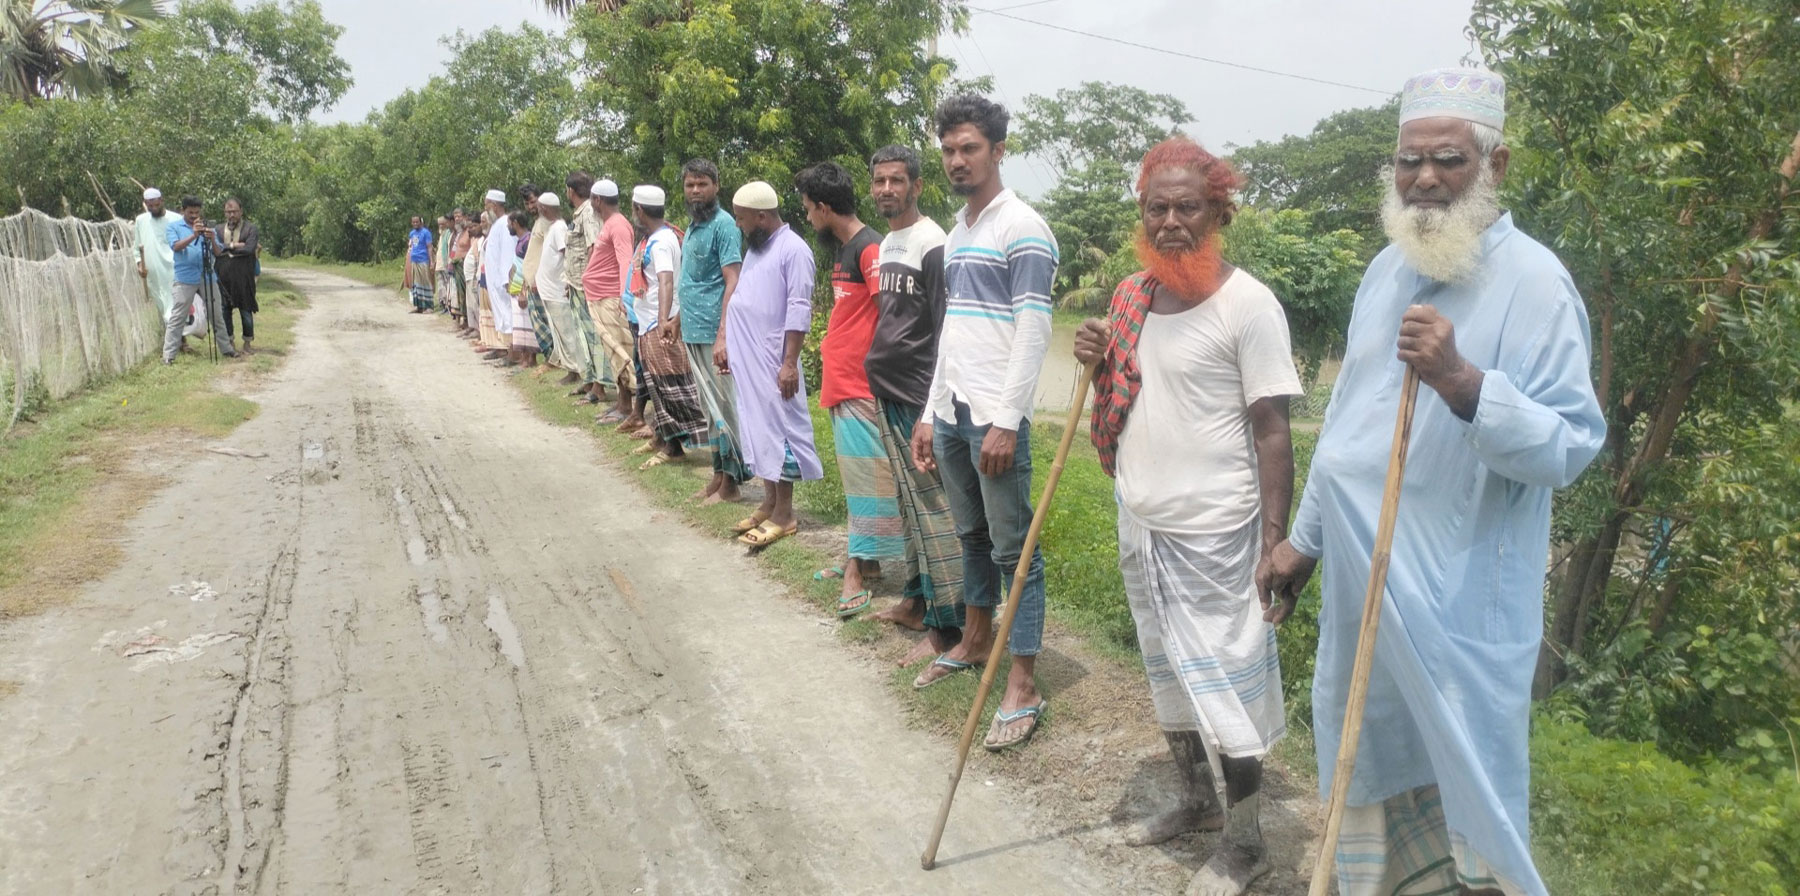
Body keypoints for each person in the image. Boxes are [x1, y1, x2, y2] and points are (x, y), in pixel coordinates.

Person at [1260, 69, 1605, 896]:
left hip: (1456, 614)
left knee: (1467, 808)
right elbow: (1346, 428)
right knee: (1366, 775)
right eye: (1409, 161)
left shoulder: (1536, 284)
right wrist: (1301, 545)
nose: (1422, 179)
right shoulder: (1385, 271)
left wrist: (1462, 381)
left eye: (1446, 160)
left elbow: (1570, 445)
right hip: (1364, 598)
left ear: (1497, 164)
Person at [1073, 137, 1302, 896]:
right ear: (1142, 213)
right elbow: (1124, 385)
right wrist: (1094, 355)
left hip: (1220, 534)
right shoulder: (1132, 297)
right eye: (1157, 208)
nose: (1172, 222)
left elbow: (1273, 430)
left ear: (1218, 212)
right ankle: (1195, 799)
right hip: (1139, 518)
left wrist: (1277, 542)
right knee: (1167, 672)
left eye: (1188, 208)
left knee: (1227, 689)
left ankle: (1246, 843)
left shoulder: (1250, 305)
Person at [908, 95, 1059, 751]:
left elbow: (1033, 332)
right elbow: (955, 334)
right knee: (969, 534)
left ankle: (1022, 680)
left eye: (969, 148)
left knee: (1013, 549)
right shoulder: (960, 230)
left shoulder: (1023, 227)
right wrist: (928, 412)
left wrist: (1007, 420)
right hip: (952, 412)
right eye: (948, 150)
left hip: (995, 420)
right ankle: (973, 640)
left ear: (998, 150)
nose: (957, 160)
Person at [859, 145, 967, 668]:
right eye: (879, 181)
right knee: (908, 506)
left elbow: (947, 332)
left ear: (917, 186)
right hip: (887, 389)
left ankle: (947, 629)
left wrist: (930, 410)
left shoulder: (933, 244)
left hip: (918, 396)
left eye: (896, 181)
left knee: (933, 511)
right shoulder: (887, 244)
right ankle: (916, 601)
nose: (886, 190)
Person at [795, 160, 887, 617]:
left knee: (866, 479)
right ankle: (864, 563)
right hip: (842, 379)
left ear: (826, 208)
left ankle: (856, 570)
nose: (808, 217)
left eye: (810, 209)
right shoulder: (845, 248)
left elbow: (891, 316)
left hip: (861, 384)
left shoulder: (870, 251)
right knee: (857, 477)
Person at [719, 181, 822, 548]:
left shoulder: (793, 250)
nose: (740, 226)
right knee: (759, 430)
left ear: (762, 216)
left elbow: (798, 308)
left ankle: (785, 514)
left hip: (775, 360)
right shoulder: (757, 249)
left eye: (743, 219)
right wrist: (728, 342)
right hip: (750, 361)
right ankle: (769, 501)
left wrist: (789, 363)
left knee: (782, 432)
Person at [675, 158, 750, 505]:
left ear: (716, 186)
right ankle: (717, 475)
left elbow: (732, 281)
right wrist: (676, 319)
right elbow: (690, 280)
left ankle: (732, 483)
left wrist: (724, 334)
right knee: (708, 409)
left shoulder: (724, 226)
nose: (695, 190)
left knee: (724, 407)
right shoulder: (692, 227)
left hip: (715, 334)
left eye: (702, 184)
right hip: (692, 330)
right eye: (690, 185)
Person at [627, 185, 707, 468]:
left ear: (639, 210)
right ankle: (662, 437)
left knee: (668, 385)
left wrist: (662, 321)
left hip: (657, 322)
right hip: (648, 319)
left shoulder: (660, 242)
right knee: (656, 383)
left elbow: (666, 280)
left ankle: (674, 445)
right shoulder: (659, 237)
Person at [584, 178, 640, 427]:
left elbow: (625, 262)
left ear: (597, 200)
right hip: (600, 296)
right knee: (613, 352)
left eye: (592, 200)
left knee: (620, 352)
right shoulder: (611, 224)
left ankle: (627, 406)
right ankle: (621, 403)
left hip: (611, 299)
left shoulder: (617, 225)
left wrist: (623, 297)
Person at [163, 195, 236, 363]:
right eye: (190, 212)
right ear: (183, 211)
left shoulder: (207, 228)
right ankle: (168, 355)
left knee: (216, 314)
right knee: (178, 317)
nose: (194, 216)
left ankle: (226, 349)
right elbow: (176, 247)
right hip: (184, 278)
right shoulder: (174, 227)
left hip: (208, 276)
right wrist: (194, 235)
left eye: (197, 212)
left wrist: (211, 239)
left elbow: (218, 253)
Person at [534, 191, 587, 383]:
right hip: (549, 291)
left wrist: (567, 280)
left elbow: (568, 255)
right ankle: (570, 368)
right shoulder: (551, 228)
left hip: (558, 291)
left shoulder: (558, 228)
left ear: (544, 208)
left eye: (539, 207)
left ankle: (575, 372)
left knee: (567, 333)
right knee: (559, 334)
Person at [562, 172, 605, 401]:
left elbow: (593, 248)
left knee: (592, 336)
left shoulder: (588, 212)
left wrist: (590, 281)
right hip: (576, 283)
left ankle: (599, 386)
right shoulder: (580, 213)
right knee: (582, 336)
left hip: (586, 285)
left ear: (571, 190)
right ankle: (588, 380)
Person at [213, 198, 260, 355]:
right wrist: (233, 245)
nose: (231, 215)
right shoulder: (218, 229)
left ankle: (247, 343)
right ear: (224, 213)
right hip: (223, 277)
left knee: (246, 311)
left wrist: (225, 249)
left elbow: (249, 249)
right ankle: (230, 341)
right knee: (225, 310)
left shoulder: (250, 229)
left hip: (244, 277)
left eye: (234, 211)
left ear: (241, 211)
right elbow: (215, 248)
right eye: (228, 212)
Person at [519, 184, 555, 365]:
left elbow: (548, 254)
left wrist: (538, 279)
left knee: (546, 324)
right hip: (532, 281)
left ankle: (552, 361)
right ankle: (550, 360)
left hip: (541, 282)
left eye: (533, 202)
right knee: (538, 323)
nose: (530, 207)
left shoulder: (548, 223)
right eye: (527, 204)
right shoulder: (537, 223)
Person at [481, 189, 517, 360]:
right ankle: (503, 347)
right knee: (501, 314)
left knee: (508, 314)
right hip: (495, 281)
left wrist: (506, 280)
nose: (485, 209)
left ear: (494, 206)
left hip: (503, 281)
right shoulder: (496, 225)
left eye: (486, 205)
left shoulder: (505, 223)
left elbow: (508, 254)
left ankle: (512, 351)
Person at [132, 187, 177, 324]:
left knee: (176, 307)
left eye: (156, 205)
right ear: (145, 204)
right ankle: (177, 341)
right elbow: (136, 248)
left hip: (173, 272)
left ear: (162, 201)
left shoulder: (176, 218)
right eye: (150, 206)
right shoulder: (141, 220)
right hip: (153, 275)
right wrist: (140, 265)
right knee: (163, 307)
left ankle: (180, 341)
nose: (154, 208)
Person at [506, 210, 541, 367]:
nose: (508, 226)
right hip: (516, 286)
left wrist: (523, 292)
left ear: (515, 223)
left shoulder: (528, 240)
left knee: (528, 323)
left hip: (523, 288)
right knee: (520, 323)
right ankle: (524, 357)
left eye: (509, 223)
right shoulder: (521, 240)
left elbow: (530, 266)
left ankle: (531, 359)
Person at [404, 215, 434, 314]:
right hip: (414, 260)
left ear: (421, 222)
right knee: (416, 284)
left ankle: (429, 306)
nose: (415, 224)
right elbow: (411, 245)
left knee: (425, 282)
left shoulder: (426, 233)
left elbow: (429, 247)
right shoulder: (412, 233)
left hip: (423, 260)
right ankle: (419, 306)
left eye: (417, 222)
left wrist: (431, 261)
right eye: (414, 222)